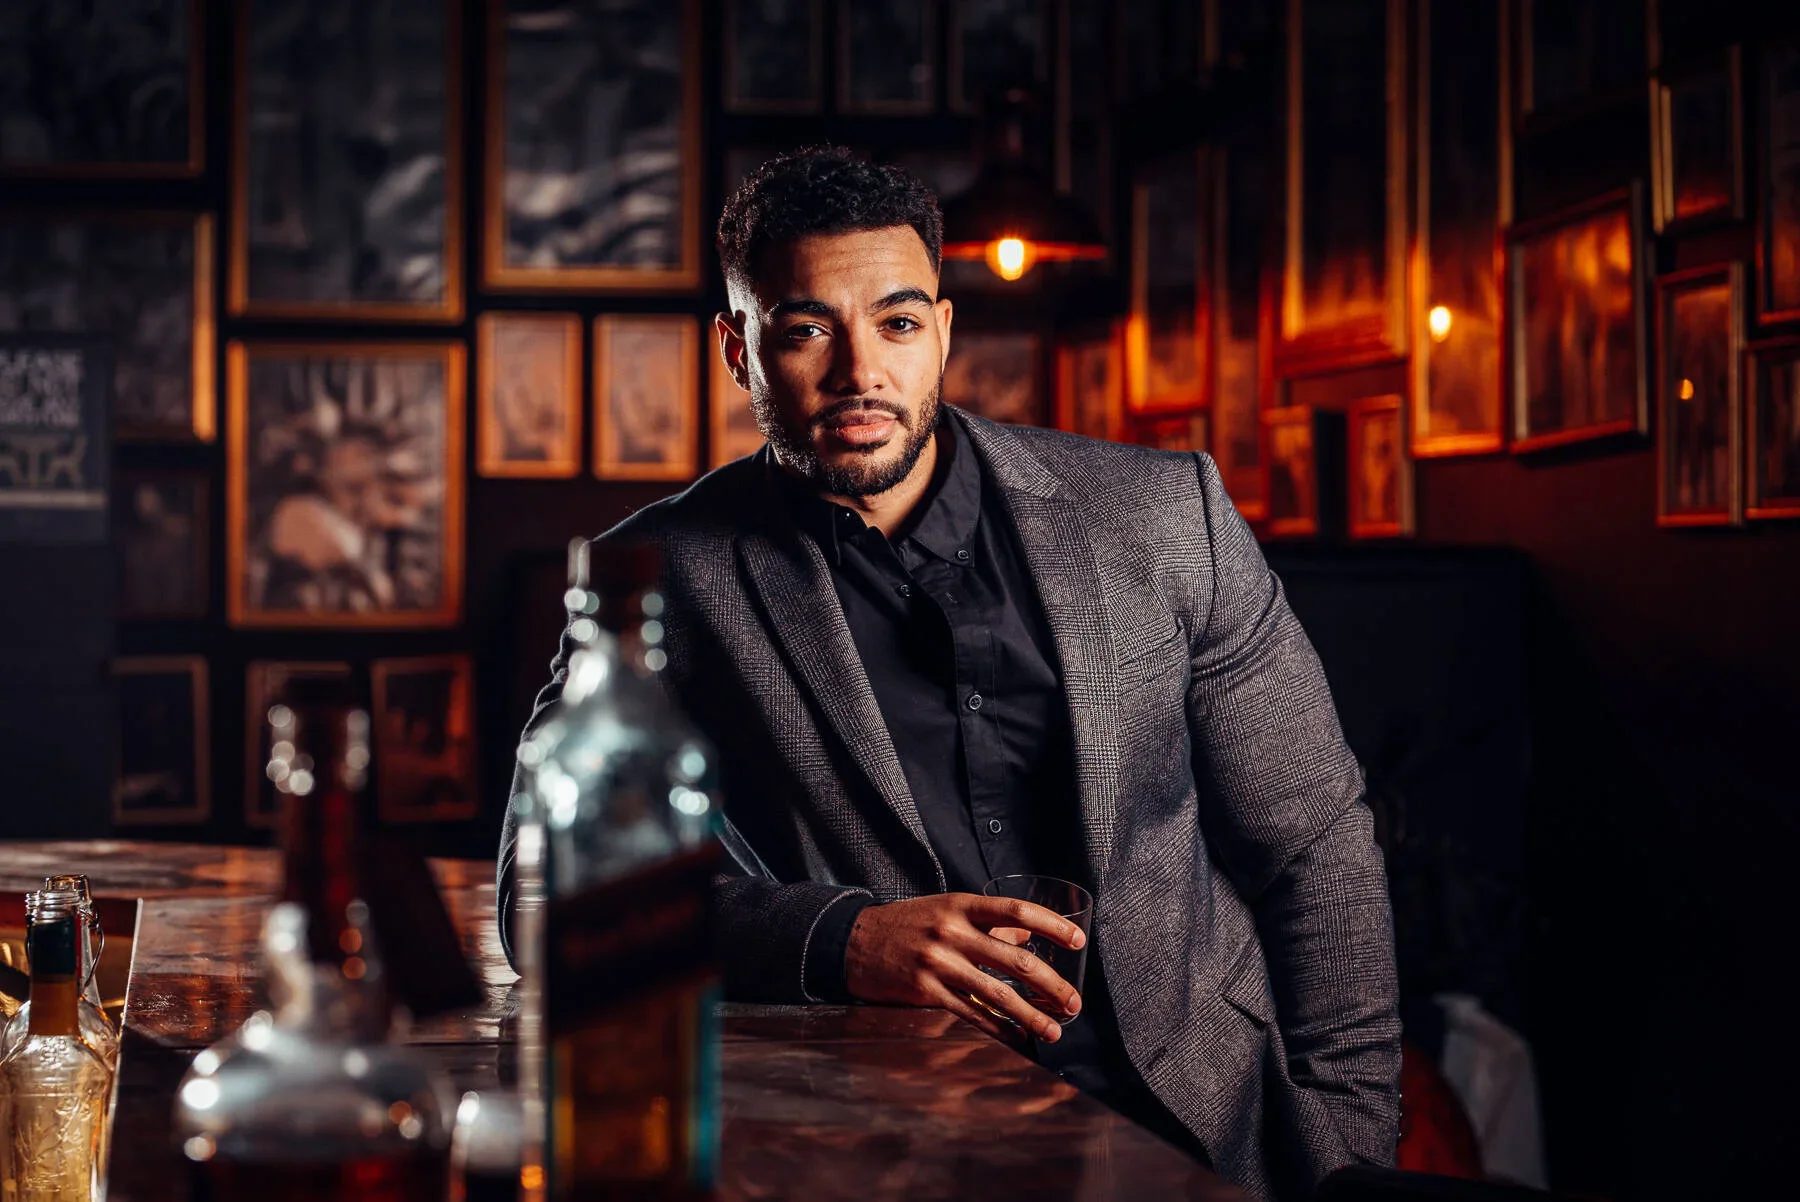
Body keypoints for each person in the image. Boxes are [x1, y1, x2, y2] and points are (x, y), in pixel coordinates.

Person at [497, 146, 1400, 1200]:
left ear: (944, 332)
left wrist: (1347, 1148)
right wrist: (845, 939)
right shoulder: (656, 575)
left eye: (896, 322)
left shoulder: (1168, 517)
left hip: (1203, 1126)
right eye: (804, 330)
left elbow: (1315, 840)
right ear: (738, 352)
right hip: (896, 1148)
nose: (859, 373)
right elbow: (545, 899)